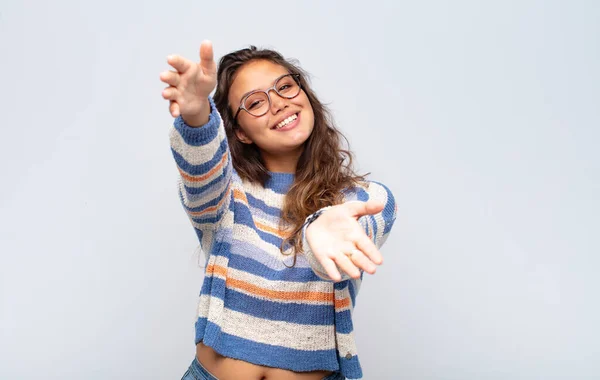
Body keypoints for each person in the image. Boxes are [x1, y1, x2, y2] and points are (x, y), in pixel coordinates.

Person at [160, 40, 397, 380]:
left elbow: (335, 254)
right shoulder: (228, 193)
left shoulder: (365, 199)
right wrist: (197, 115)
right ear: (240, 132)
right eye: (255, 102)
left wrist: (319, 228)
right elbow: (201, 177)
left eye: (285, 86)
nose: (279, 104)